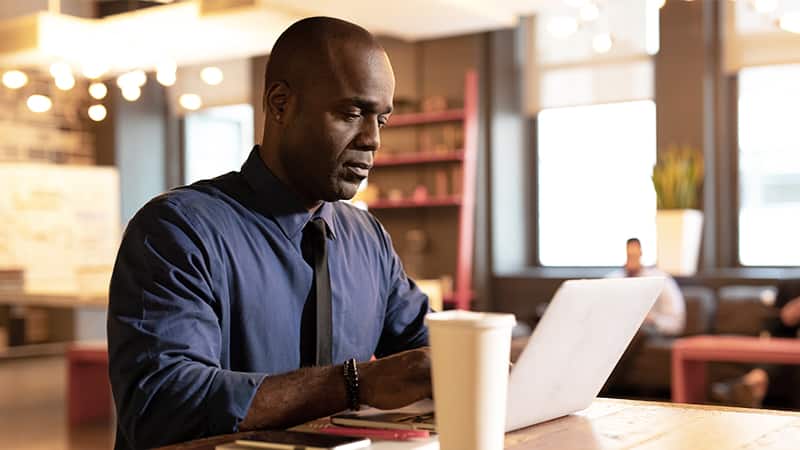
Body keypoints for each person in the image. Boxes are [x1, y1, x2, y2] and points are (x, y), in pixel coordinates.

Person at [107, 17, 433, 450]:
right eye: (352, 113)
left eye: (382, 120)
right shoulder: (177, 231)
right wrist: (355, 384)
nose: (372, 139)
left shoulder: (367, 239)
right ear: (280, 104)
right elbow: (161, 406)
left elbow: (426, 350)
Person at [711, 280, 800, 408]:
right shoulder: (790, 286)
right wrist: (785, 317)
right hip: (785, 348)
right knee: (775, 355)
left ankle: (748, 386)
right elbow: (771, 329)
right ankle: (749, 387)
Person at [608, 238, 686, 337]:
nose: (631, 260)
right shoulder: (613, 279)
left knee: (633, 332)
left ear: (641, 254)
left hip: (649, 329)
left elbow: (676, 320)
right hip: (618, 327)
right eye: (628, 256)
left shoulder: (660, 280)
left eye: (633, 256)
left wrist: (652, 319)